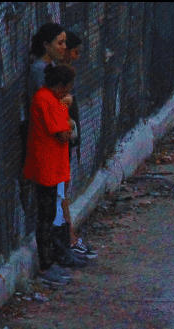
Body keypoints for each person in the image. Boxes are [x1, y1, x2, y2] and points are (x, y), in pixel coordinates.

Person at [24, 64, 77, 286]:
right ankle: (46, 265)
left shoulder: (50, 99)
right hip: (45, 167)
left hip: (52, 166)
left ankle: (50, 261)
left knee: (49, 214)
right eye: (67, 88)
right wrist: (67, 117)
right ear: (60, 85)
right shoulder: (45, 99)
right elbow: (63, 133)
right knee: (45, 217)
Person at [57, 30, 98, 260]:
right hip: (60, 141)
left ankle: (69, 237)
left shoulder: (66, 74)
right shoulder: (58, 78)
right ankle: (69, 238)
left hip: (67, 139)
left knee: (62, 191)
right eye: (75, 51)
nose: (77, 56)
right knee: (60, 193)